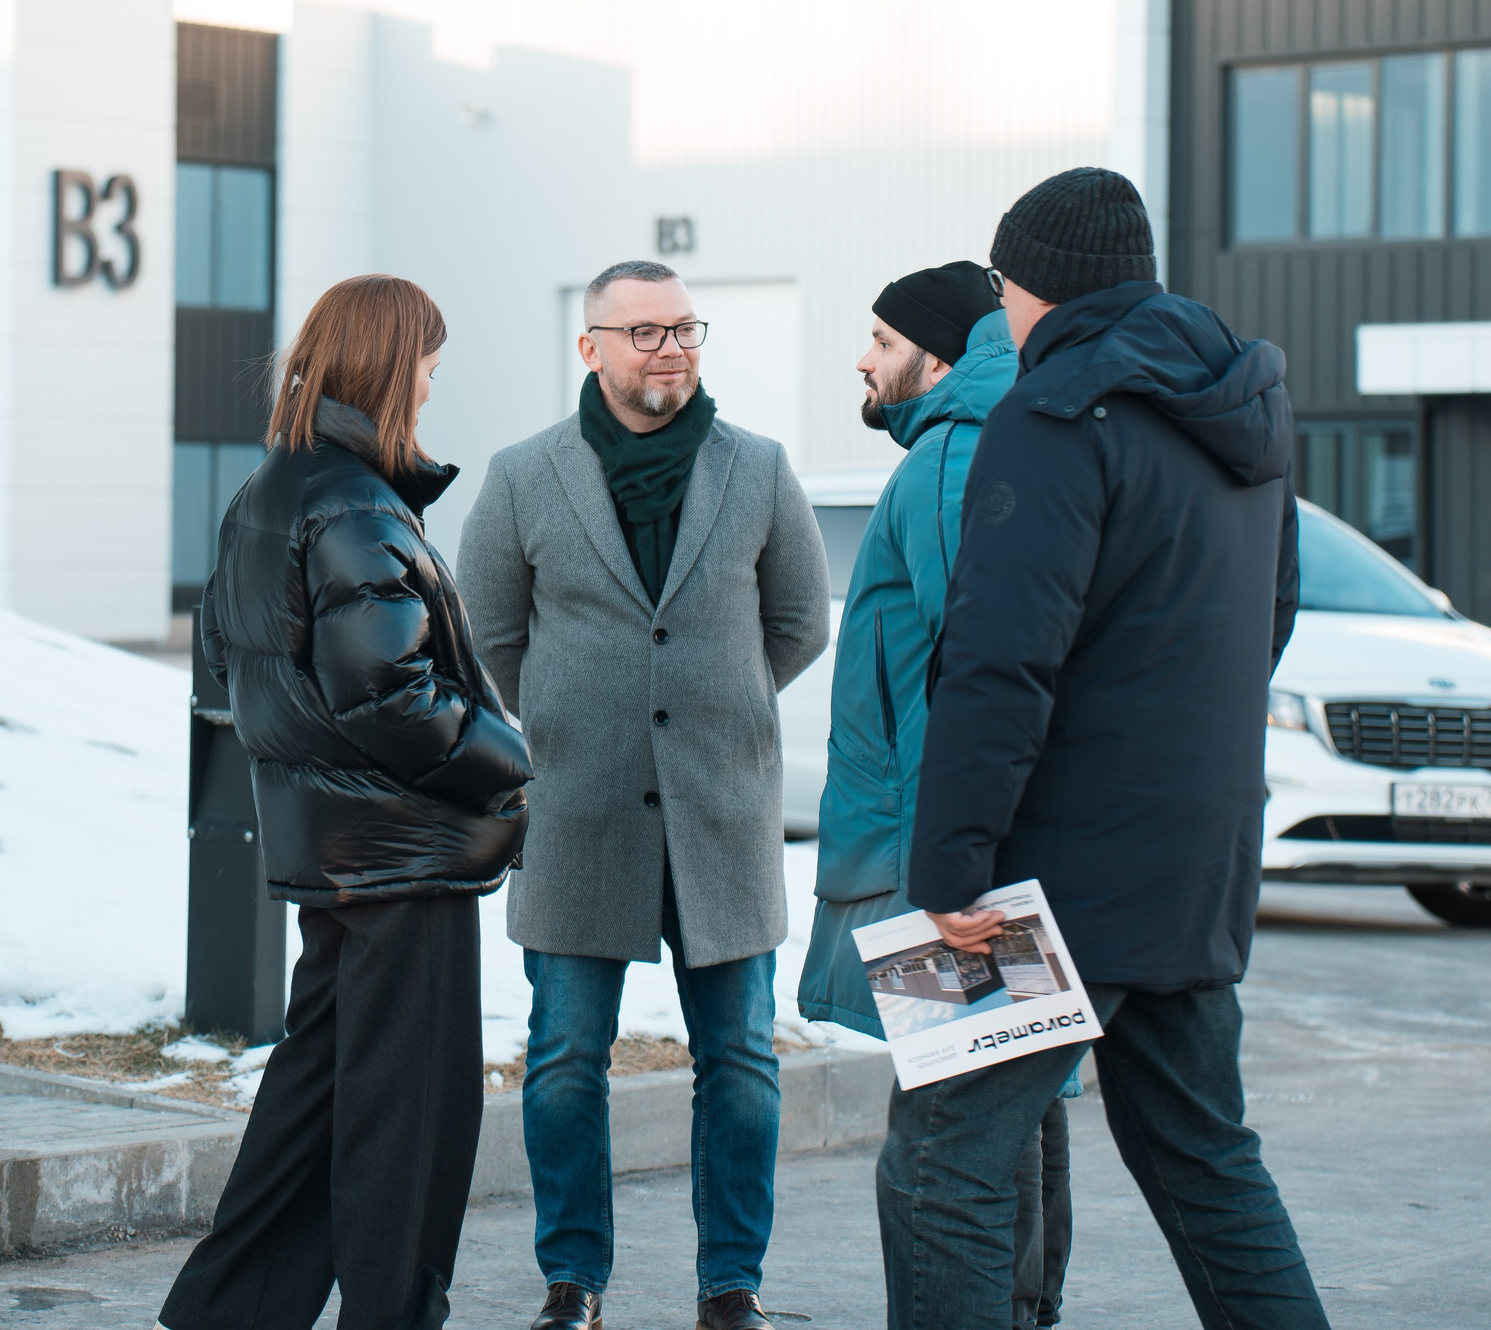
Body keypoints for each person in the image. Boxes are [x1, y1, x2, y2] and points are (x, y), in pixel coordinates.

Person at [878, 170, 1327, 1330]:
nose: (1004, 315)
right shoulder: (1244, 409)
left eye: (1005, 287)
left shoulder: (1052, 411)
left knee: (942, 1154)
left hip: (1051, 871)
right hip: (1197, 856)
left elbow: (998, 661)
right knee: (1202, 1154)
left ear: (1036, 285)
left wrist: (947, 870)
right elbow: (1268, 621)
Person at [156, 274, 533, 1330]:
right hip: (399, 852)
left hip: (337, 850)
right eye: (427, 362)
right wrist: (512, 756)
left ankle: (224, 1312)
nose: (430, 383)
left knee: (314, 1105)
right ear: (385, 364)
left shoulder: (268, 490)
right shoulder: (351, 502)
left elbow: (237, 664)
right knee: (407, 1123)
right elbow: (390, 697)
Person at [459, 259, 830, 1330]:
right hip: (579, 810)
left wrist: (719, 700)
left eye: (684, 329)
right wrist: (571, 718)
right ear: (592, 348)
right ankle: (572, 1279)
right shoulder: (524, 474)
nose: (670, 349)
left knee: (743, 1061)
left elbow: (799, 621)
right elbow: (491, 634)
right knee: (569, 1056)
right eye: (645, 332)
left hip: (722, 810)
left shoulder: (755, 467)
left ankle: (731, 1284)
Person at [792, 262, 1076, 1326]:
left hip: (953, 855)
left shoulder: (956, 452)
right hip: (967, 843)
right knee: (1014, 1105)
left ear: (940, 355)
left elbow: (974, 670)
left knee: (956, 1137)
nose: (862, 358)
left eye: (878, 336)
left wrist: (957, 862)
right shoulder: (983, 441)